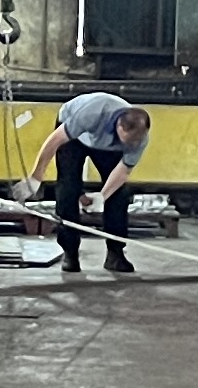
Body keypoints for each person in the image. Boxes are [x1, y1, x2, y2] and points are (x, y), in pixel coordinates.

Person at [21, 92, 153, 272]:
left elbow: (124, 170)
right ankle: (70, 253)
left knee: (119, 194)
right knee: (68, 189)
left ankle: (115, 254)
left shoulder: (138, 139)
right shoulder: (91, 113)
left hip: (105, 143)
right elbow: (54, 141)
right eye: (128, 141)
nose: (131, 145)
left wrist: (102, 196)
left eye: (134, 142)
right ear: (119, 126)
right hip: (74, 136)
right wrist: (36, 177)